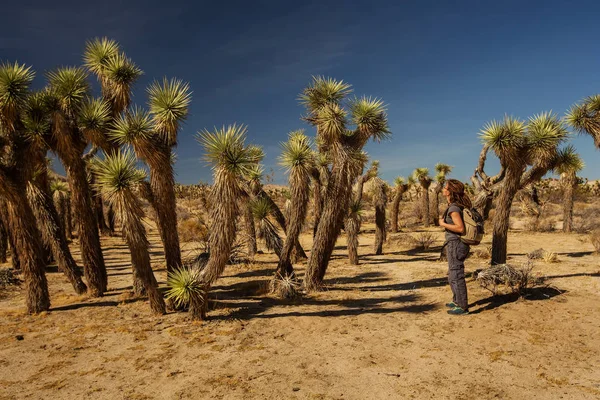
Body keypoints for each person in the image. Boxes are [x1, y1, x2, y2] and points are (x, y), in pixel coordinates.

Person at [438, 179, 472, 315]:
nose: (443, 189)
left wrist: (443, 224)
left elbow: (460, 228)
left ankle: (463, 307)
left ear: (450, 191)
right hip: (455, 244)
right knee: (453, 273)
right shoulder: (456, 205)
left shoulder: (453, 208)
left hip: (456, 244)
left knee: (456, 273)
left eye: (445, 188)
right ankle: (457, 300)